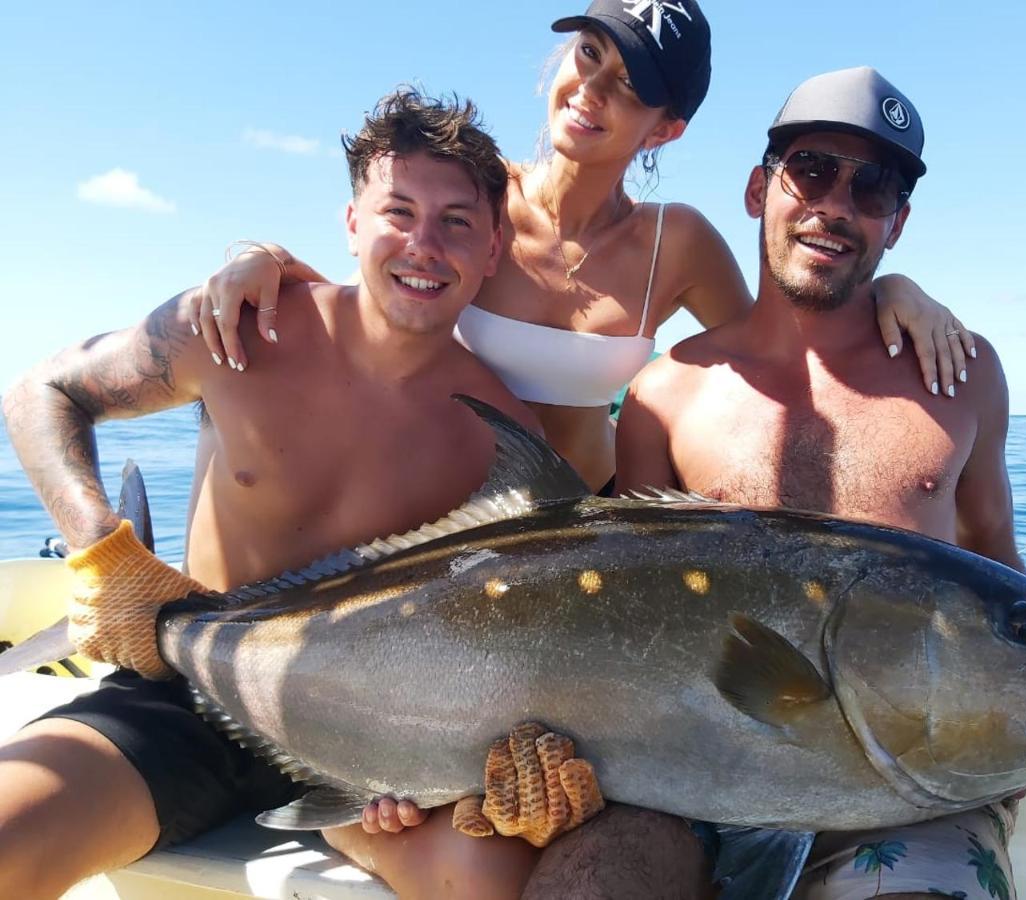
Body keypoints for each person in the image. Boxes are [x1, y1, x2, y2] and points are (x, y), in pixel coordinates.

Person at [0, 89, 621, 900]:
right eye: (398, 211)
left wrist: (494, 763)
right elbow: (41, 392)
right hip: (185, 692)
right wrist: (102, 550)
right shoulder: (235, 328)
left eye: (457, 223)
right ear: (354, 221)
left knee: (492, 876)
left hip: (372, 738)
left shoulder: (500, 436)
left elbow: (516, 634)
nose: (425, 246)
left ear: (494, 247)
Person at [189, 0, 976, 496]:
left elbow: (774, 348)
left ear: (666, 128)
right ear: (560, 61)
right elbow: (380, 280)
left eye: (631, 85)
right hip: (438, 501)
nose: (594, 91)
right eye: (591, 54)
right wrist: (258, 254)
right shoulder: (474, 193)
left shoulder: (680, 241)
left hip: (588, 518)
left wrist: (893, 287)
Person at [615, 67, 1026, 900]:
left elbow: (996, 556)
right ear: (758, 189)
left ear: (898, 222)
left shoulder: (960, 374)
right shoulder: (664, 394)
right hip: (692, 772)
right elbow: (630, 614)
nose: (837, 205)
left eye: (873, 186)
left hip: (912, 792)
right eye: (812, 169)